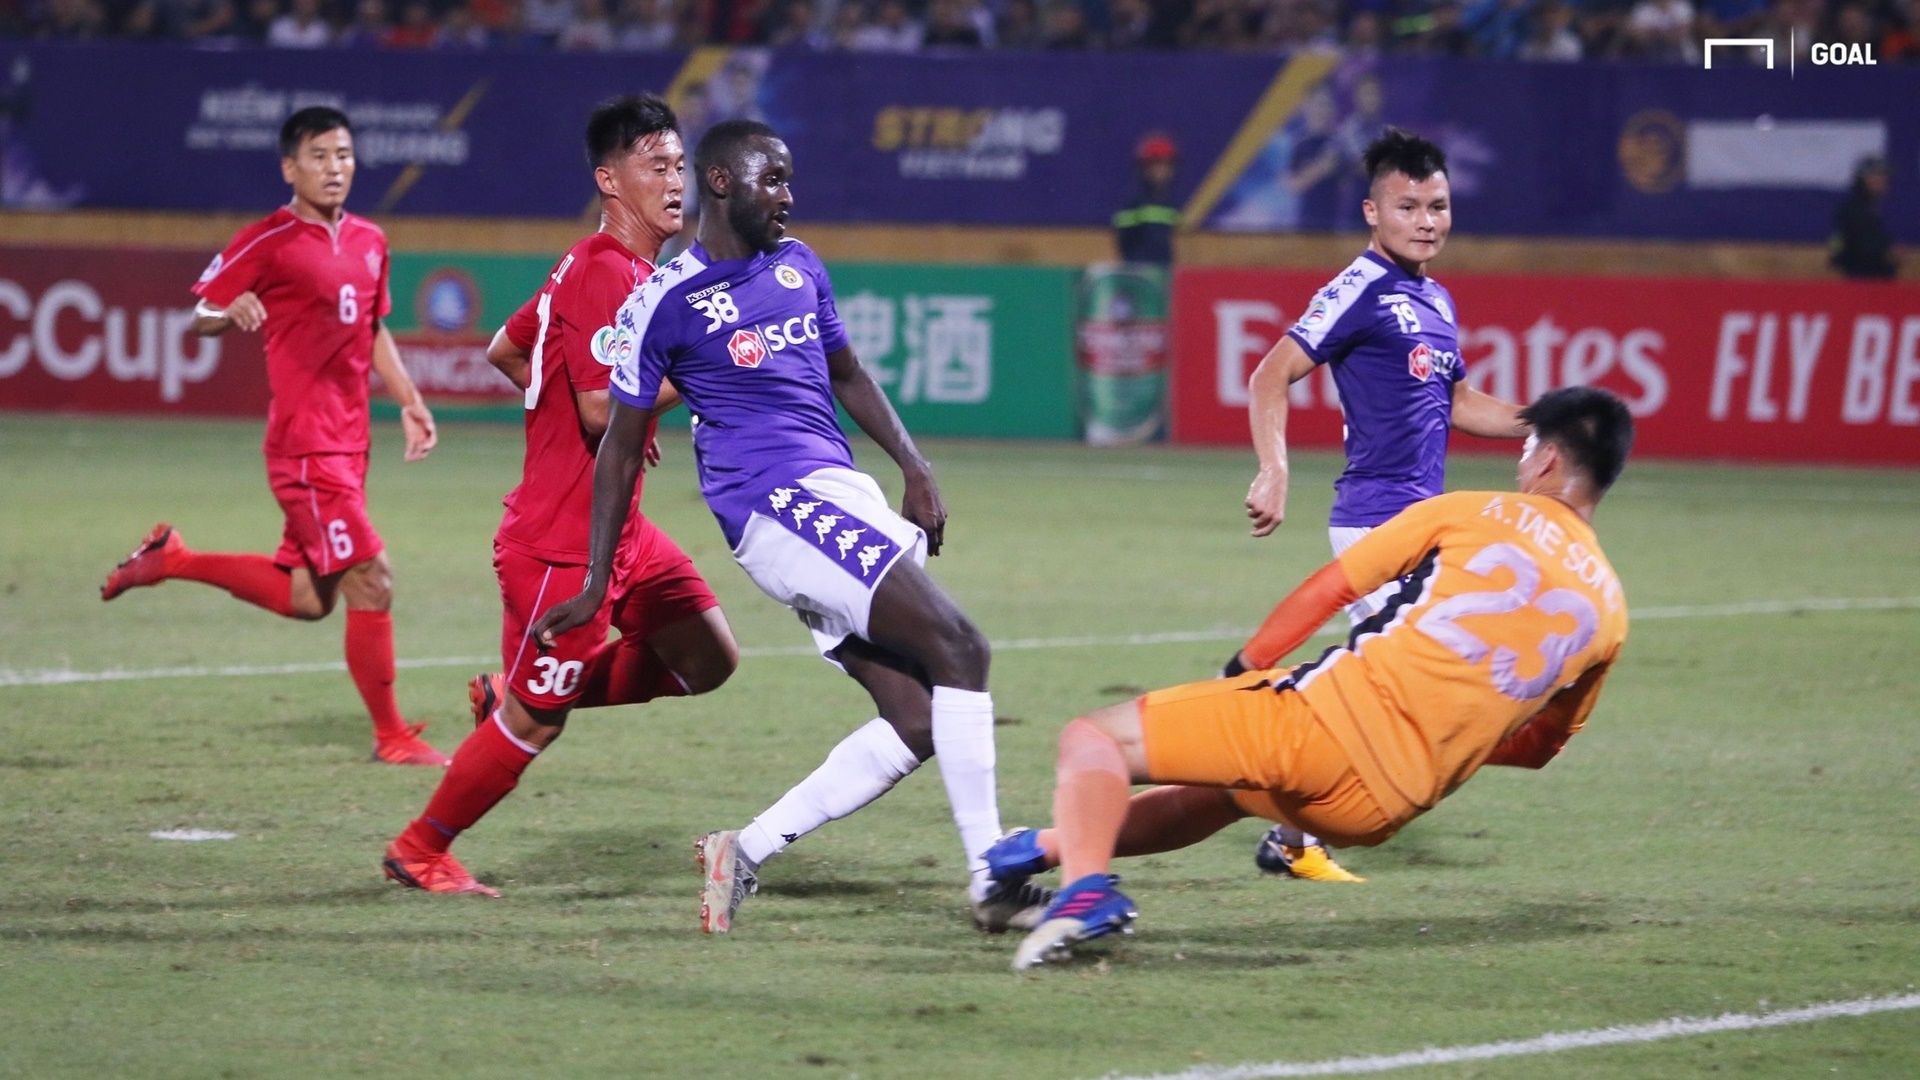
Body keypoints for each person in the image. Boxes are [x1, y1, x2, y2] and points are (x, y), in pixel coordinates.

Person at [533, 119, 1041, 935]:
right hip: (775, 506)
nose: (790, 197)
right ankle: (992, 878)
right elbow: (619, 447)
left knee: (918, 718)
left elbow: (846, 371)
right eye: (775, 180)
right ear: (725, 183)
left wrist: (915, 466)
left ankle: (747, 848)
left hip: (840, 496)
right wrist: (597, 579)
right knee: (964, 648)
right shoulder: (664, 301)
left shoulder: (800, 265)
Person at [993, 386, 1633, 970]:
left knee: (1092, 740)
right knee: (1219, 793)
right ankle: (1039, 849)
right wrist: (1449, 731)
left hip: (1321, 726)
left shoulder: (1474, 511)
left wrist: (1244, 668)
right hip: (1381, 809)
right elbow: (1541, 750)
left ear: (1546, 459)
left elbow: (1335, 586)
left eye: (1527, 450)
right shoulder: (1609, 609)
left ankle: (1081, 903)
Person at [381, 95, 741, 897]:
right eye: (658, 166)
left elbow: (508, 349)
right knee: (537, 725)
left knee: (708, 656)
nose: (677, 182)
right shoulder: (606, 274)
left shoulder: (616, 269)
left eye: (681, 165)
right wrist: (704, 372)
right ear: (610, 180)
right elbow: (598, 407)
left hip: (623, 531)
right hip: (562, 545)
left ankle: (516, 693)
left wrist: (587, 430)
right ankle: (420, 848)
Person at [101, 106, 445, 768]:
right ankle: (391, 736)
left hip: (350, 444)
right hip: (306, 447)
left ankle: (172, 559)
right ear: (290, 167)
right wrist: (226, 314)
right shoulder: (268, 239)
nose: (334, 167)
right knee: (372, 580)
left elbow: (373, 330)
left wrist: (409, 400)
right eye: (319, 155)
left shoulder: (373, 240)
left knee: (308, 598)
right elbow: (201, 312)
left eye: (343, 154)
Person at [1239, 126, 1528, 882]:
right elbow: (1271, 375)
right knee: (1405, 693)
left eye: (1438, 205)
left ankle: (1285, 812)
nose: (1427, 220)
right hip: (1375, 521)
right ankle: (1272, 793)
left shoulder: (1434, 296)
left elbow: (1459, 401)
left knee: (1393, 689)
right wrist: (1273, 469)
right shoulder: (1359, 288)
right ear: (1373, 212)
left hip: (1415, 521)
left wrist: (1548, 423)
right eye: (1409, 206)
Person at [1112, 133, 1179, 266]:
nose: (1161, 170)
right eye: (1156, 164)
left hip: (1167, 274)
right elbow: (1123, 242)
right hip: (1139, 275)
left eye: (1166, 164)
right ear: (1144, 168)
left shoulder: (1174, 205)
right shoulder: (1133, 206)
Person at [1830, 156, 1898, 281]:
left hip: (1874, 282)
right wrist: (1886, 255)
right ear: (1864, 179)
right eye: (1877, 176)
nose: (1883, 181)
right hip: (1863, 282)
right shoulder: (1854, 210)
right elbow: (1839, 251)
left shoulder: (1869, 208)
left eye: (1884, 177)